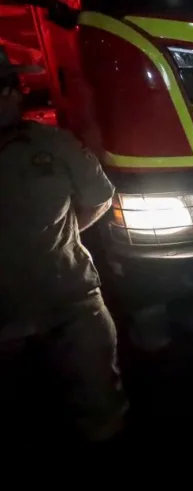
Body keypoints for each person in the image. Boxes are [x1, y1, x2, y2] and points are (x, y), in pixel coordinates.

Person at [0, 45, 127, 443]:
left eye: (11, 86)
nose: (13, 94)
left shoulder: (51, 145)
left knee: (100, 415)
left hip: (72, 305)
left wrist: (60, 238)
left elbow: (99, 198)